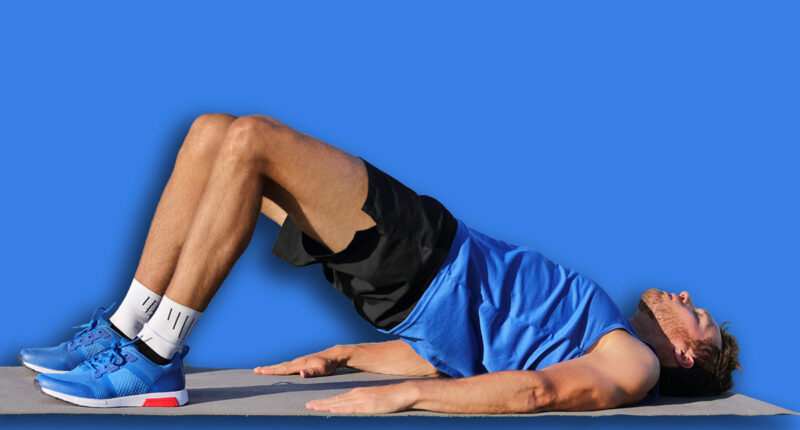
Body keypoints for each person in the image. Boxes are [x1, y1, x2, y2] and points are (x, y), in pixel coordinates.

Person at [19, 114, 741, 413]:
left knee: (251, 142)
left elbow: (534, 393)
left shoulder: (634, 366)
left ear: (685, 354)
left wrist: (400, 399)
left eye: (697, 315)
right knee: (214, 135)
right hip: (411, 285)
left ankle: (154, 353)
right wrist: (347, 356)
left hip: (426, 255)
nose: (683, 295)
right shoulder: (599, 331)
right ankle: (126, 328)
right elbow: (467, 358)